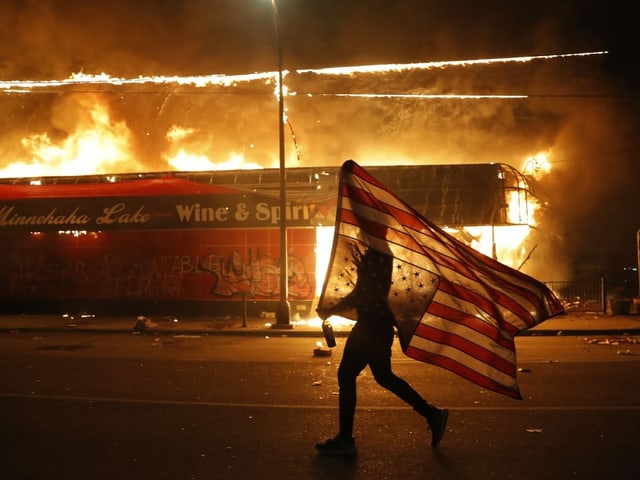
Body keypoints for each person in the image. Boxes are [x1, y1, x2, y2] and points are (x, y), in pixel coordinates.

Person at [315, 245, 448, 457]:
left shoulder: (377, 254)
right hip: (378, 326)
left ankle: (346, 440)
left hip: (371, 327)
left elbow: (363, 294)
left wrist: (331, 309)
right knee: (384, 376)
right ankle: (431, 414)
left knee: (347, 375)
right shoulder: (377, 252)